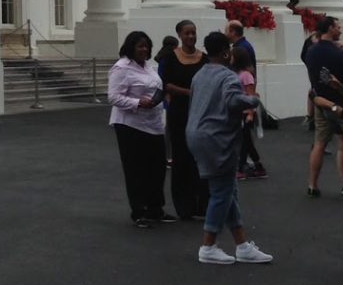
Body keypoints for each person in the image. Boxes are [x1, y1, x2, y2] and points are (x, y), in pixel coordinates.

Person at [186, 31, 273, 265]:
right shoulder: (228, 77)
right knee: (222, 191)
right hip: (217, 137)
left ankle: (242, 244)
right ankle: (208, 244)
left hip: (196, 135)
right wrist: (253, 100)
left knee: (228, 188)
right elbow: (234, 102)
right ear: (226, 53)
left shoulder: (200, 74)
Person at [107, 31, 170, 227]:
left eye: (147, 47)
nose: (144, 50)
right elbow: (113, 97)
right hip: (130, 124)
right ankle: (139, 210)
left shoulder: (149, 67)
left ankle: (155, 208)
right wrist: (137, 102)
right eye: (140, 46)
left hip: (153, 123)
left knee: (157, 168)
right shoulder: (121, 68)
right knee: (136, 169)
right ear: (131, 48)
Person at [304, 15, 343, 197]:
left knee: (320, 143)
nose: (340, 30)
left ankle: (312, 184)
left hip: (321, 103)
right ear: (329, 28)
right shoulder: (340, 55)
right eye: (337, 27)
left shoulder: (311, 52)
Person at [158, 19, 209, 220]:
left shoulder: (203, 59)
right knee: (181, 158)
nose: (191, 36)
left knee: (200, 157)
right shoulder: (171, 58)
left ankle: (202, 205)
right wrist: (189, 92)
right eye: (187, 33)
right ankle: (184, 206)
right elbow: (166, 84)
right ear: (179, 34)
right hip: (179, 112)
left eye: (193, 33)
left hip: (200, 112)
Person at [232, 47, 266, 180]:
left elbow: (251, 96)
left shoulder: (246, 75)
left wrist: (251, 113)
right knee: (246, 142)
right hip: (240, 112)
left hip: (246, 112)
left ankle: (241, 169)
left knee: (244, 142)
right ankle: (258, 166)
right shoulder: (237, 73)